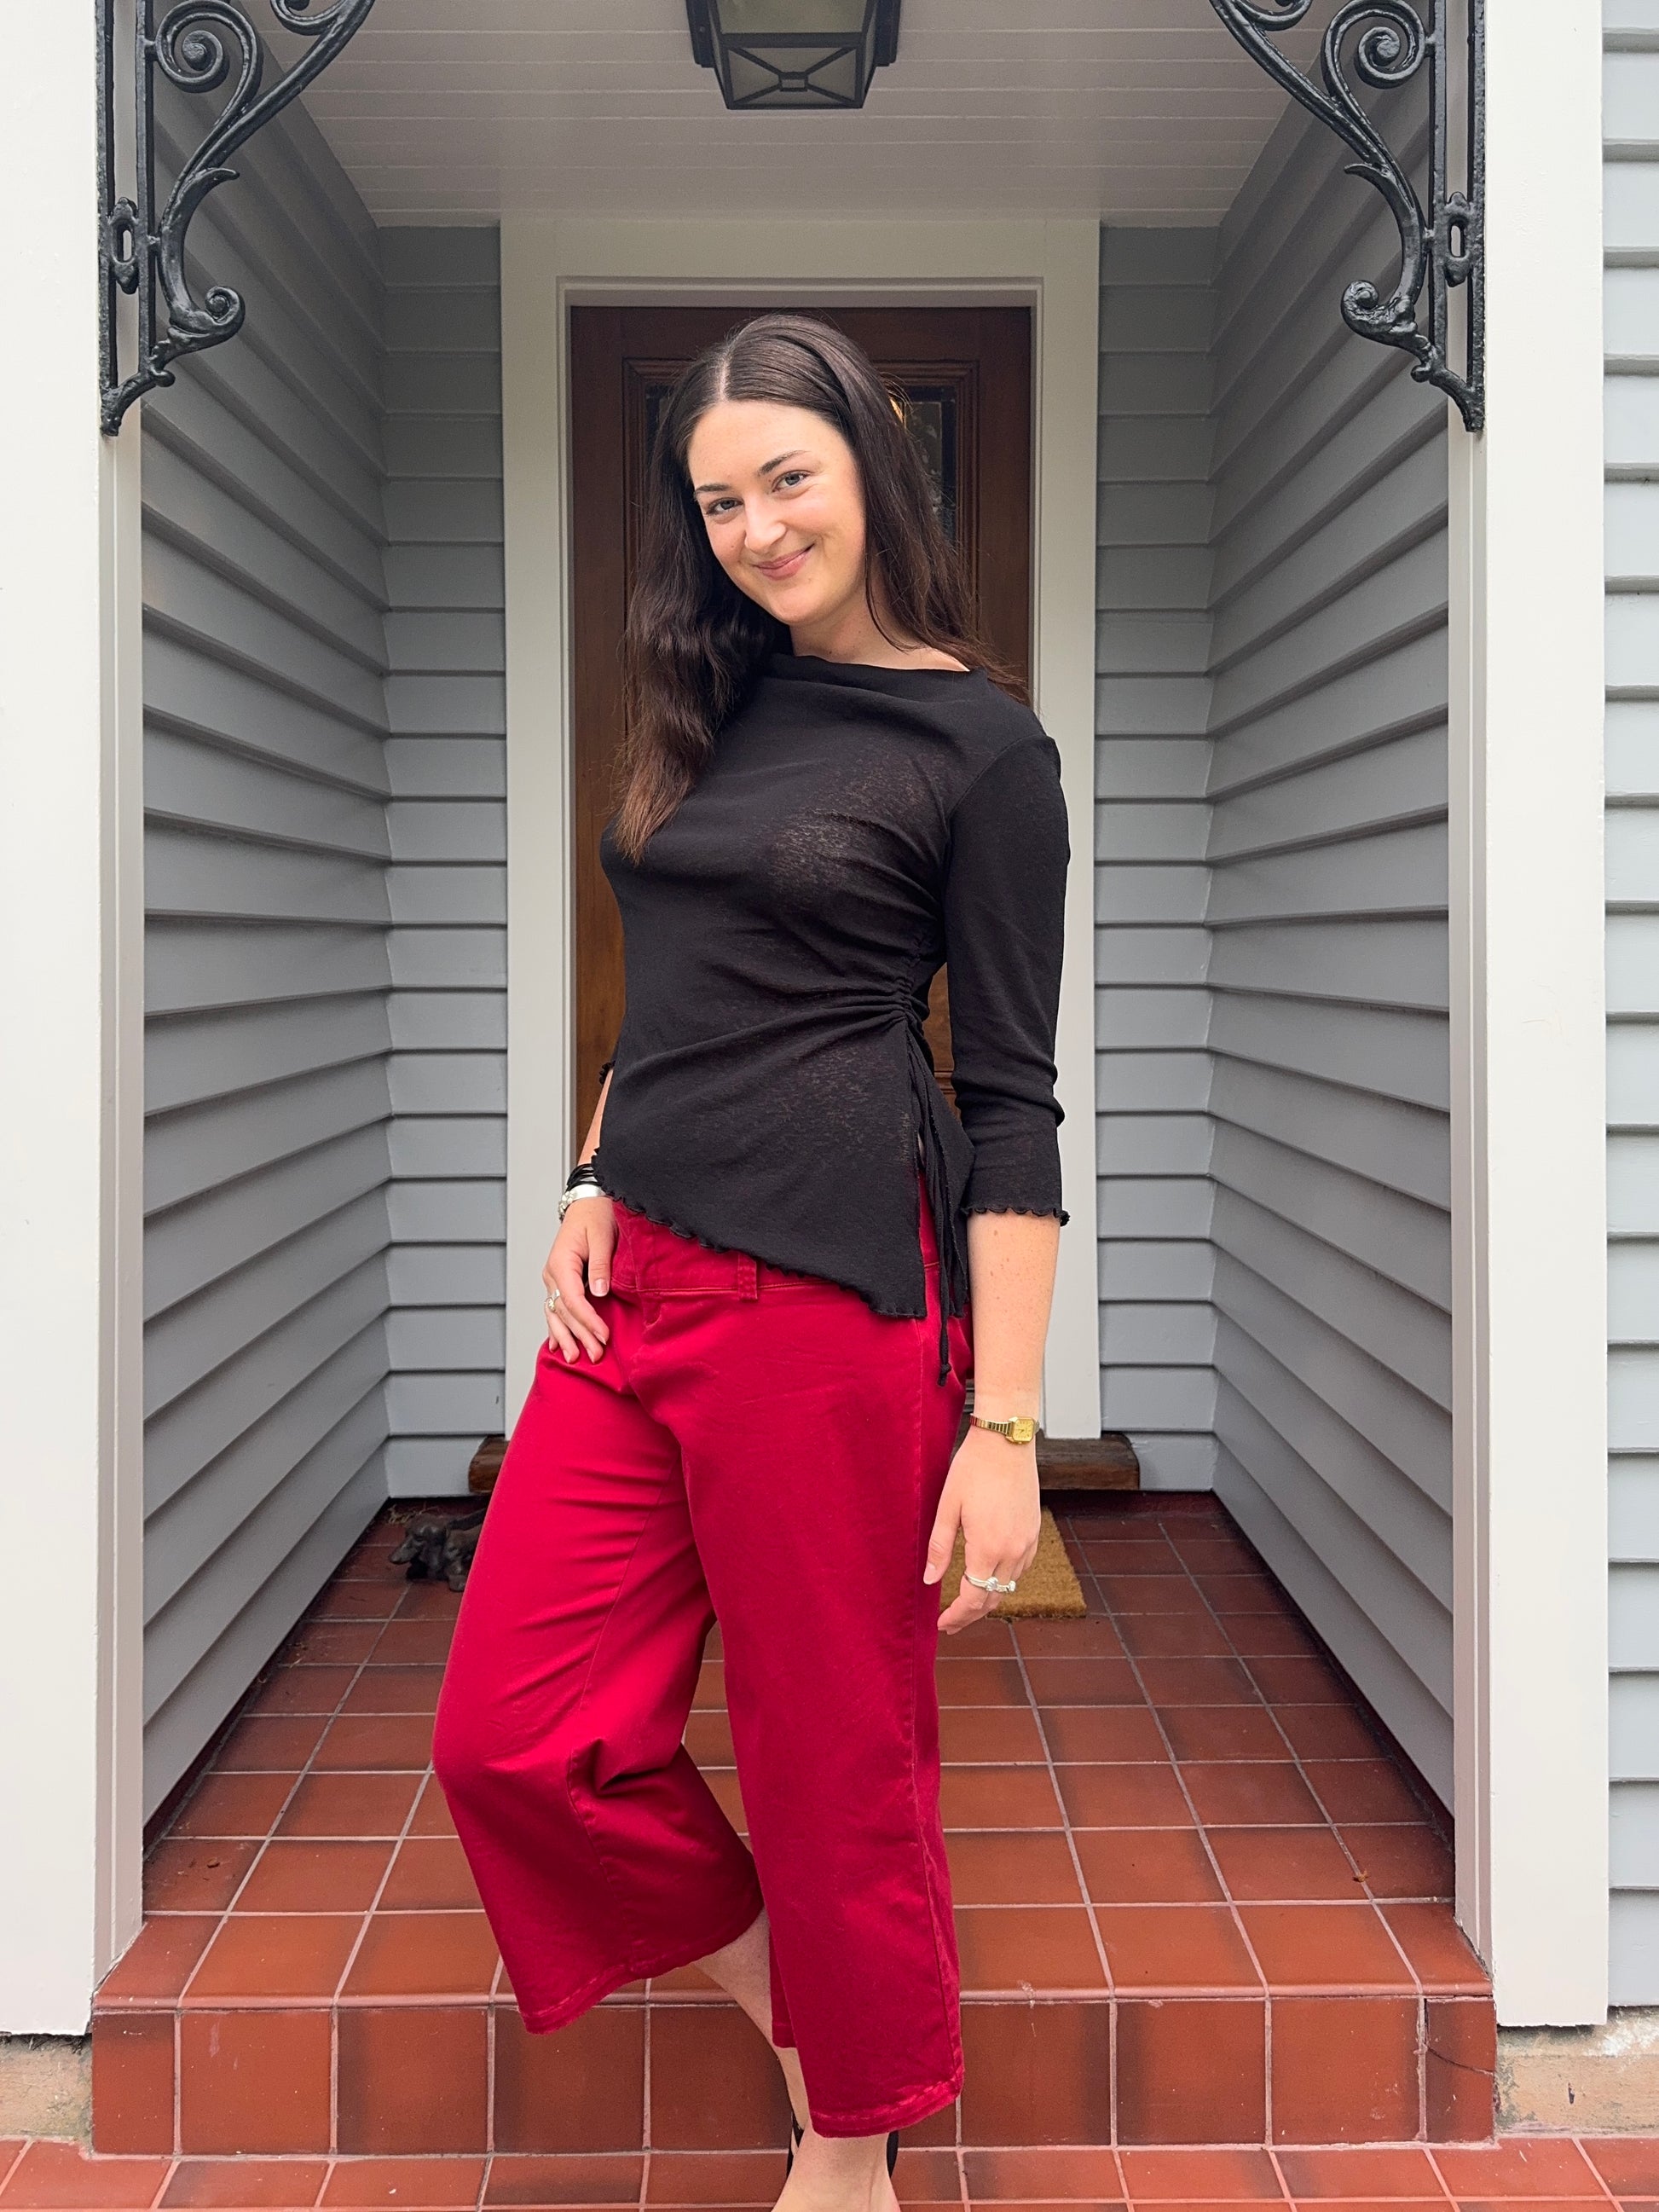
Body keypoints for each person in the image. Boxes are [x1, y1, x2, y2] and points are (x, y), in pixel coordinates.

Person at [431, 311, 1071, 2212]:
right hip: (637, 1287)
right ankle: (819, 2009)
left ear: (875, 466)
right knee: (513, 1740)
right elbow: (675, 990)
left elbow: (1013, 1101)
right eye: (718, 501)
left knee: (829, 1761)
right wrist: (588, 1169)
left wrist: (1007, 1430)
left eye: (788, 478)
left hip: (833, 1303)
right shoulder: (706, 703)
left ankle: (850, 2148)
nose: (757, 527)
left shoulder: (983, 748)